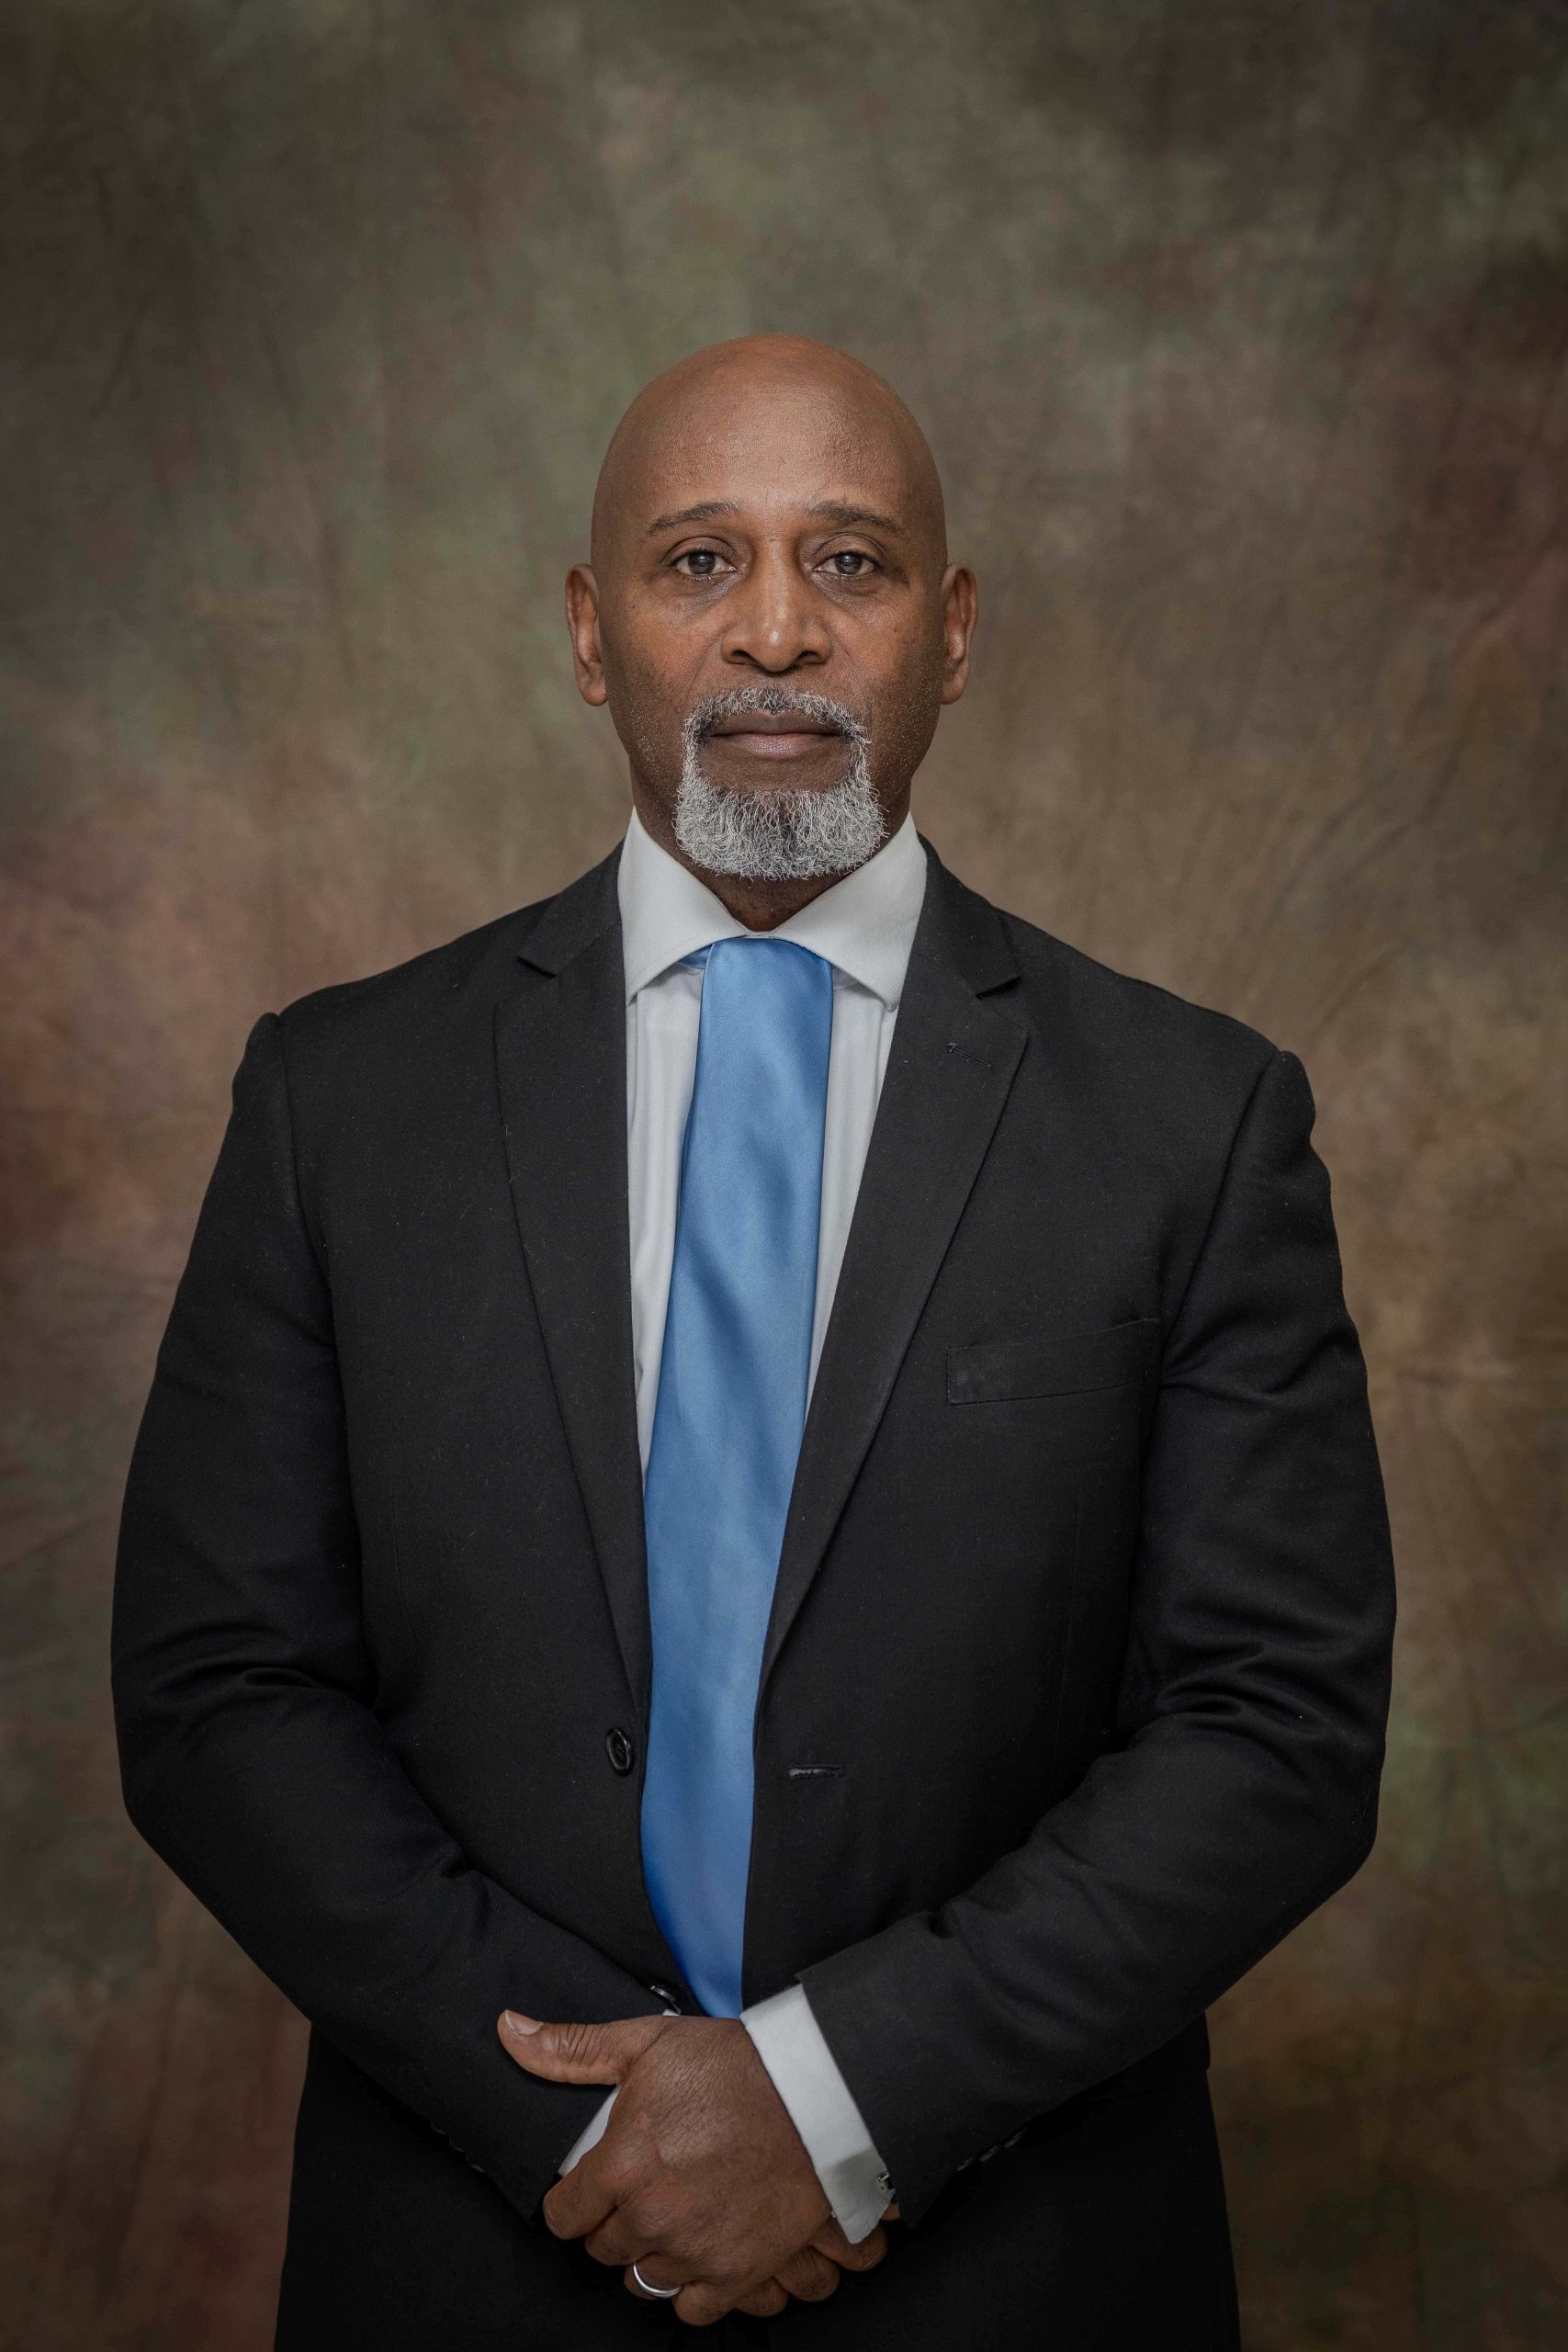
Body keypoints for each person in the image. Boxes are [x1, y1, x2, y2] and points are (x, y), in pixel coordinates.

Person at [111, 334, 1395, 2349]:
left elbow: (1275, 1728)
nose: (776, 628)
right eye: (698, 559)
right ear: (588, 630)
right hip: (472, 2250)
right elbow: (219, 1686)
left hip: (1019, 2269)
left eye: (850, 562)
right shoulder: (336, 1103)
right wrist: (591, 2118)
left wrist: (829, 2099)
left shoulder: (1193, 1122)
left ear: (950, 630)